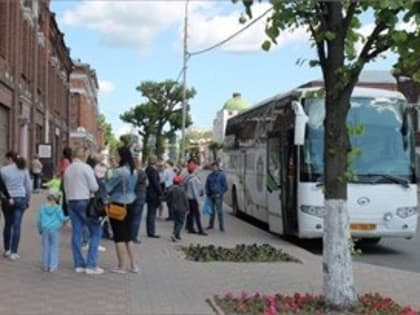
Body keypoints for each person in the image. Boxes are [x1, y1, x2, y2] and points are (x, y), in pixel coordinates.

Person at [63, 146, 102, 275]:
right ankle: (91, 264)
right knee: (95, 231)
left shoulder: (68, 169)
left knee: (77, 232)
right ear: (84, 155)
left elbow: (65, 188)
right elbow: (94, 187)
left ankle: (78, 264)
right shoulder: (86, 168)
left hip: (71, 202)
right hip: (84, 201)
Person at [106, 147, 139, 274]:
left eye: (117, 155)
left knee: (119, 236)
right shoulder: (134, 171)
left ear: (122, 156)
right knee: (129, 236)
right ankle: (134, 265)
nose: (115, 157)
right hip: (131, 202)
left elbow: (108, 187)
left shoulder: (119, 172)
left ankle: (121, 266)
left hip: (118, 203)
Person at [0, 151, 32, 260]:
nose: (4, 161)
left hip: (7, 200)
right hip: (20, 198)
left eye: (5, 159)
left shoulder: (3, 170)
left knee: (8, 224)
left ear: (10, 159)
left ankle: (7, 250)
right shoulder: (23, 169)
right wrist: (28, 200)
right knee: (17, 225)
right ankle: (14, 252)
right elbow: (28, 187)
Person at [36, 189, 68, 272]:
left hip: (45, 229)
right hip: (55, 230)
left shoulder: (42, 207)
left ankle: (45, 266)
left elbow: (38, 220)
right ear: (57, 198)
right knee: (54, 247)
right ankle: (52, 266)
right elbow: (62, 218)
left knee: (45, 248)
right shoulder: (58, 208)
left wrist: (40, 229)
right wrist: (69, 217)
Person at [184, 163, 207, 236]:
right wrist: (199, 201)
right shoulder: (193, 179)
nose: (198, 170)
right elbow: (195, 191)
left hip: (189, 198)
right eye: (196, 169)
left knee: (191, 214)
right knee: (197, 215)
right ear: (194, 170)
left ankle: (190, 228)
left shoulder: (188, 177)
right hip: (193, 199)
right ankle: (200, 230)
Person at [205, 161, 228, 232]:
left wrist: (220, 193)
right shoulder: (209, 176)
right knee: (212, 211)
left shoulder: (222, 175)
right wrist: (207, 193)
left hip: (218, 196)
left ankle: (221, 227)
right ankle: (211, 225)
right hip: (211, 195)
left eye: (215, 167)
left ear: (218, 167)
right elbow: (207, 185)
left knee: (219, 211)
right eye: (213, 167)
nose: (214, 168)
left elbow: (225, 187)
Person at [166, 176, 189, 242]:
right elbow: (185, 199)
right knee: (181, 222)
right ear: (180, 182)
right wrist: (187, 207)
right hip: (181, 208)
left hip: (174, 208)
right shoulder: (182, 189)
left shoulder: (170, 188)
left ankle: (177, 235)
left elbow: (167, 198)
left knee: (176, 222)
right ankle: (174, 234)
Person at [145, 155, 162, 238]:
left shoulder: (147, 169)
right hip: (153, 194)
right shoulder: (153, 171)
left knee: (150, 213)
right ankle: (151, 232)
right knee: (152, 213)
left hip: (149, 193)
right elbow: (156, 183)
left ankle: (150, 230)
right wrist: (161, 193)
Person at [132, 159, 147, 244]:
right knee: (137, 217)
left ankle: (129, 235)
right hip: (140, 195)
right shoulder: (141, 172)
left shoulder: (130, 172)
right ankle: (134, 237)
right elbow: (147, 183)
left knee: (131, 216)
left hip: (131, 196)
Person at [59, 147, 72, 216]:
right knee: (66, 197)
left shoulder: (64, 160)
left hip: (64, 180)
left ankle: (65, 212)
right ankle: (66, 212)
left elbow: (62, 170)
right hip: (67, 180)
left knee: (64, 196)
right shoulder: (68, 161)